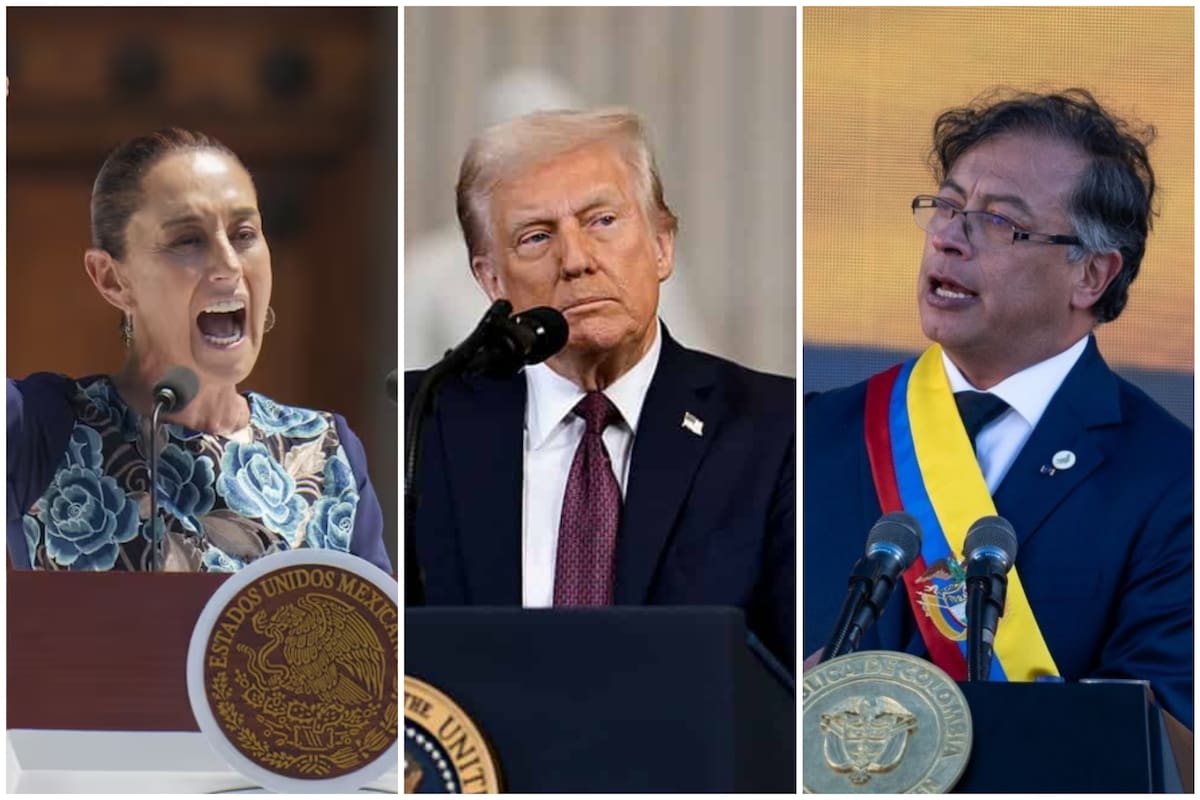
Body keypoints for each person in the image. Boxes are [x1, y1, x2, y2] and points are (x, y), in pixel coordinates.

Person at [803, 89, 1192, 730]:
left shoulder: (1173, 481)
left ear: (1091, 275)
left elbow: (1158, 731)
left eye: (999, 222)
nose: (949, 238)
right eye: (947, 206)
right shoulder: (816, 432)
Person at [406, 108, 795, 672]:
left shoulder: (773, 429)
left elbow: (794, 685)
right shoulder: (423, 423)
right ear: (491, 279)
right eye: (537, 237)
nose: (577, 261)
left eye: (602, 221)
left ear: (662, 246)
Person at [7, 128, 391, 574]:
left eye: (244, 234)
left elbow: (378, 636)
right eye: (189, 240)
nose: (229, 263)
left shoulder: (325, 453)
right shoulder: (38, 428)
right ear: (112, 279)